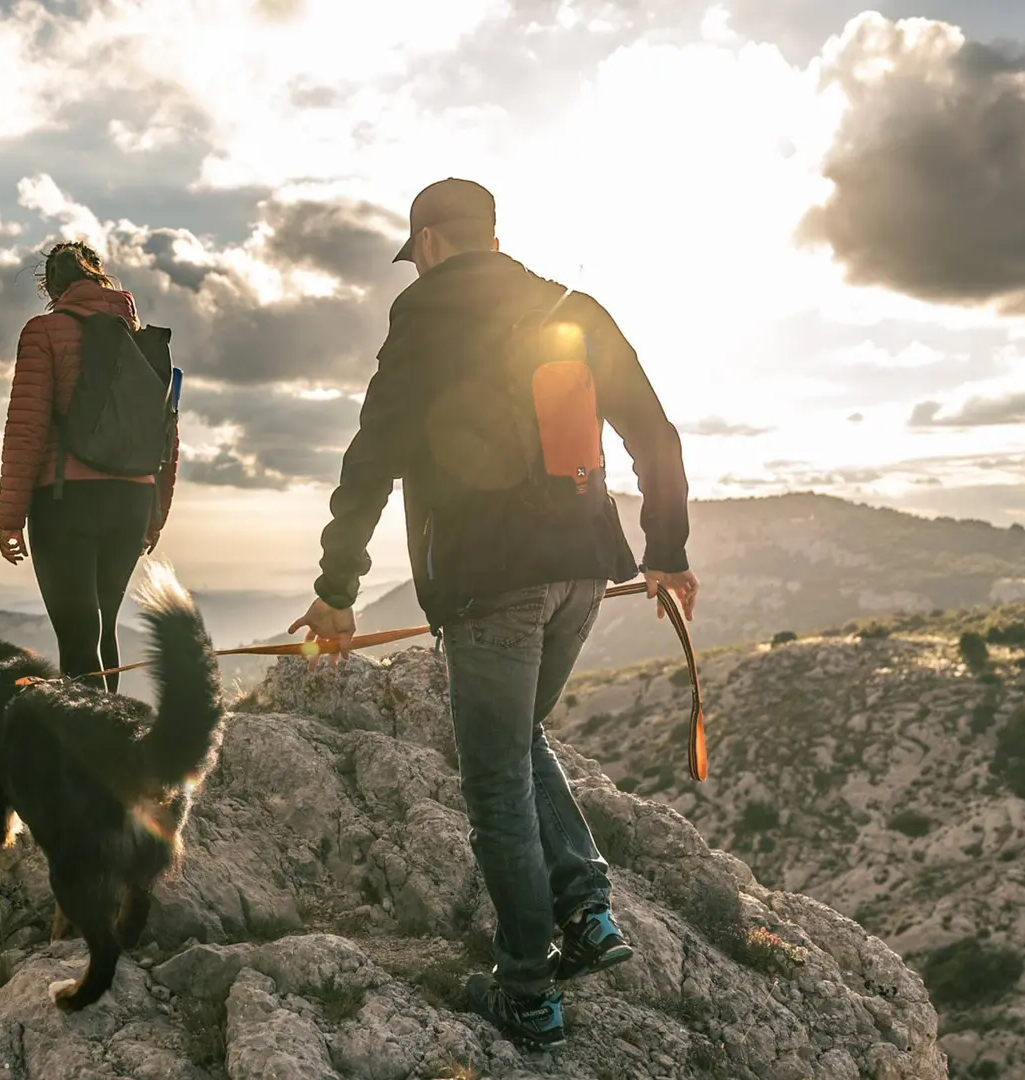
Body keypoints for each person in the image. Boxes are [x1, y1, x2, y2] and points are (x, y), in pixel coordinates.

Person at [287, 179, 697, 1051]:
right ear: (494, 237)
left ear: (431, 243)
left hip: (488, 585)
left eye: (416, 252)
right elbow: (654, 435)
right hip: (585, 571)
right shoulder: (572, 308)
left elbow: (371, 460)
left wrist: (338, 588)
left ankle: (526, 990)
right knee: (519, 738)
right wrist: (667, 550)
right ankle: (586, 909)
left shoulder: (423, 320)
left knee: (496, 780)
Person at [0, 241, 179, 691]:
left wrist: (9, 519)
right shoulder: (138, 338)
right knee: (105, 627)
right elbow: (166, 436)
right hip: (132, 500)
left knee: (79, 638)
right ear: (100, 277)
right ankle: (114, 727)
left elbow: (27, 427)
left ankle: (90, 735)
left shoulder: (43, 332)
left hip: (67, 500)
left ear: (51, 288)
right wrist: (154, 515)